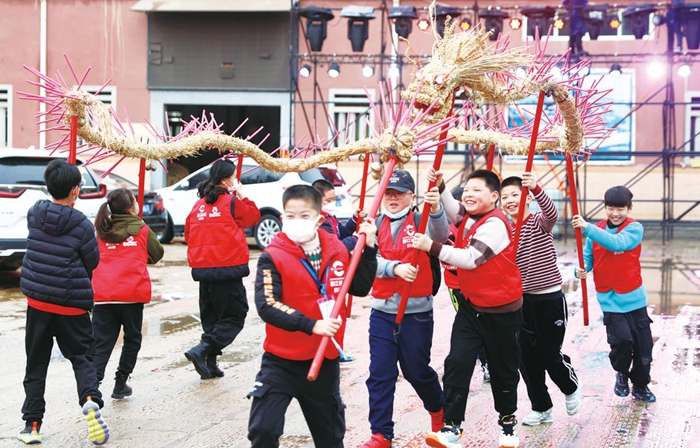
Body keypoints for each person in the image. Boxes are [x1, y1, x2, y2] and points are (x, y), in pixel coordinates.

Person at [247, 184, 378, 447]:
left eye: (304, 215)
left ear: (318, 219)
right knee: (263, 429)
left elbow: (360, 287)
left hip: (323, 359)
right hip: (280, 361)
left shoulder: (337, 250)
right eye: (291, 216)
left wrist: (370, 249)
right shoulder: (273, 255)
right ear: (282, 219)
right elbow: (267, 305)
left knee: (330, 437)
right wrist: (312, 325)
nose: (297, 221)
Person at [415, 168, 523, 448]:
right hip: (471, 306)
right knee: (457, 362)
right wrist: (441, 185)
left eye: (477, 190)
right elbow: (454, 210)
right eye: (467, 190)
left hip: (502, 311)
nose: (469, 195)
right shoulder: (470, 215)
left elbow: (471, 258)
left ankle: (507, 422)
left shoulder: (496, 224)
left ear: (494, 196)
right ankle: (452, 426)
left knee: (503, 370)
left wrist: (431, 246)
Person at [18, 159, 109, 445]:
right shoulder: (82, 224)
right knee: (83, 358)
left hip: (39, 303)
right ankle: (90, 399)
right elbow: (92, 261)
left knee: (36, 363)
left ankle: (32, 426)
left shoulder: (35, 213)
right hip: (71, 304)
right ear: (74, 190)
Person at [360, 169, 448, 448]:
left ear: (412, 195)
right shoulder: (374, 222)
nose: (393, 198)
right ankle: (381, 433)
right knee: (380, 373)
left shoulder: (422, 220)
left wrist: (436, 208)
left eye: (399, 193)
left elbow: (442, 235)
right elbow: (367, 258)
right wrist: (394, 268)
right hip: (382, 312)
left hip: (416, 313)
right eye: (388, 193)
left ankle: (439, 411)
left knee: (416, 371)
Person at [500, 173, 582, 426]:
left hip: (549, 300)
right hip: (521, 302)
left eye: (515, 194)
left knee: (549, 353)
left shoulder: (538, 222)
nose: (510, 200)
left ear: (526, 198)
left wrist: (535, 187)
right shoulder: (504, 230)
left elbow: (552, 213)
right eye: (504, 197)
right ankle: (542, 407)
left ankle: (570, 386)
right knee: (526, 358)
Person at [572, 185, 656, 403]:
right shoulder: (596, 230)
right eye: (610, 208)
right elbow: (588, 257)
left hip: (635, 298)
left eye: (620, 209)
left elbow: (618, 243)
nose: (615, 213)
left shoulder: (634, 228)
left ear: (629, 208)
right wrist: (582, 269)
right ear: (605, 207)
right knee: (622, 343)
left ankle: (641, 386)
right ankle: (621, 373)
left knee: (643, 347)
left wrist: (587, 227)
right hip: (609, 300)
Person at [184, 158, 261, 379]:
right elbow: (253, 217)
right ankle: (202, 350)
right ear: (227, 180)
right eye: (235, 177)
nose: (236, 180)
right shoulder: (231, 202)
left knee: (212, 320)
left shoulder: (198, 205)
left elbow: (188, 234)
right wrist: (242, 194)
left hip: (204, 270)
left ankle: (209, 364)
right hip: (227, 268)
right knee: (234, 317)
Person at [91, 187, 165, 399]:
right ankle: (121, 382)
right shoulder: (141, 229)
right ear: (131, 207)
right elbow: (157, 253)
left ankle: (92, 387)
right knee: (132, 339)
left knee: (101, 343)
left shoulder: (101, 230)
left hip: (103, 295)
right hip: (131, 295)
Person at [312, 178, 363, 363]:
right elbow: (336, 246)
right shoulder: (319, 222)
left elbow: (342, 233)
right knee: (333, 314)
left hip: (337, 273)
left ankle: (336, 350)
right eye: (328, 200)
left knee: (339, 313)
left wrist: (355, 220)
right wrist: (356, 240)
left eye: (334, 199)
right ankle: (332, 352)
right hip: (328, 275)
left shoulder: (330, 218)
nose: (332, 204)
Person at [443, 186, 490, 383]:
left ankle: (487, 361)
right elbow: (447, 261)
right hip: (456, 287)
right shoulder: (447, 231)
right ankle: (481, 362)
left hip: (479, 286)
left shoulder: (480, 227)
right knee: (468, 325)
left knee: (484, 324)